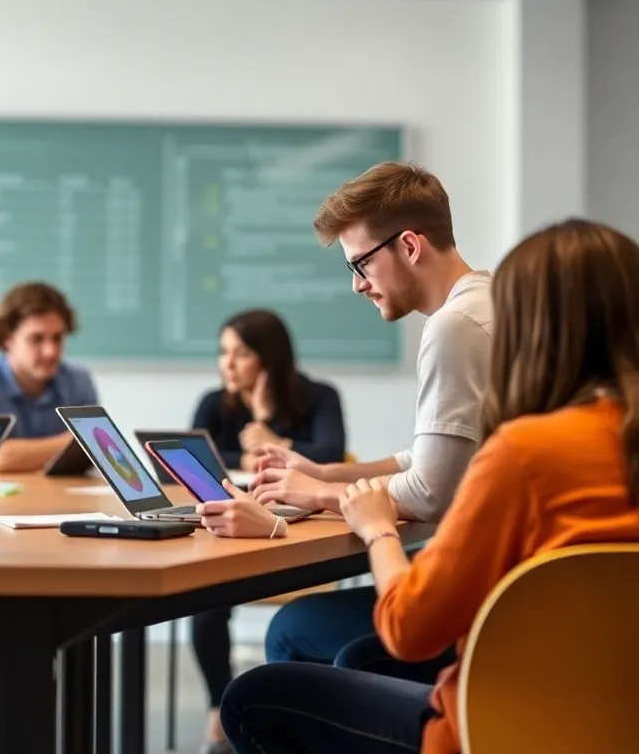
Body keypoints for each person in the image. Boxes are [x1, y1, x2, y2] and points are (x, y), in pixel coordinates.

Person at [218, 217, 639, 754]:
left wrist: (377, 531)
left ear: (531, 328)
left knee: (255, 695)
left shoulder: (523, 452)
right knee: (357, 656)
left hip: (490, 726)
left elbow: (409, 630)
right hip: (613, 726)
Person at [202, 162, 493, 680]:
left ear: (409, 246)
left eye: (361, 264)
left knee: (292, 629)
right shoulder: (486, 299)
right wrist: (323, 473)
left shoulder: (454, 327)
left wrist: (316, 496)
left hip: (481, 598)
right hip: (508, 584)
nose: (358, 285)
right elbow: (432, 458)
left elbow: (430, 491)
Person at [190, 308, 346, 754]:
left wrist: (270, 434)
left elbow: (331, 453)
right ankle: (218, 705)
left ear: (269, 359)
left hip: (298, 532)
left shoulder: (319, 397)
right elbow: (193, 454)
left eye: (240, 354)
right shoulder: (213, 401)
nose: (228, 365)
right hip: (228, 530)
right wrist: (247, 455)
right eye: (223, 354)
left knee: (301, 620)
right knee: (206, 603)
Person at [0, 281, 98, 473]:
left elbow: (97, 451)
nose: (51, 351)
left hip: (62, 497)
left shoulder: (79, 380)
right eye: (36, 339)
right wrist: (76, 441)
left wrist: (86, 443)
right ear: (7, 338)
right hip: (0, 502)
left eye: (58, 338)